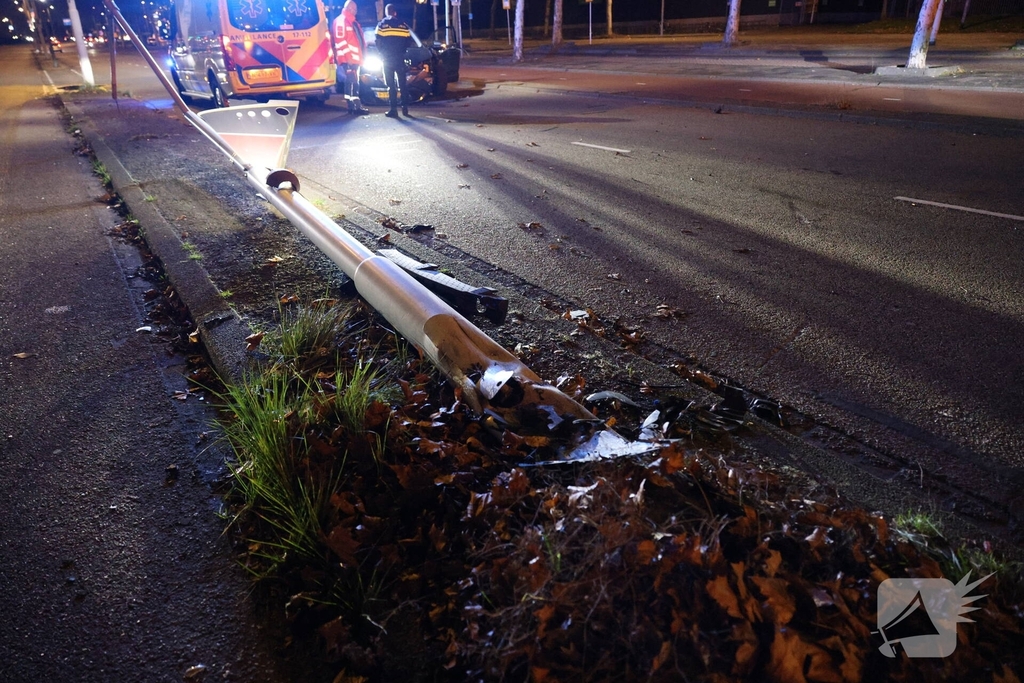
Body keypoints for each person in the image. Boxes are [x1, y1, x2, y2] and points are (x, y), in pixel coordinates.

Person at [375, 4, 412, 118]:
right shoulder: (404, 25)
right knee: (402, 84)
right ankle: (405, 108)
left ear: (387, 12)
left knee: (391, 86)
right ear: (395, 12)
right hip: (399, 59)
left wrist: (383, 53)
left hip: (387, 60)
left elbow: (377, 41)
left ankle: (393, 109)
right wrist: (402, 51)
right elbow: (409, 41)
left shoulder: (382, 25)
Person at [332, 0, 369, 115]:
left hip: (354, 59)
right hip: (348, 59)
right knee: (352, 82)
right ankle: (354, 107)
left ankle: (353, 106)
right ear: (349, 8)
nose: (355, 11)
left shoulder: (351, 21)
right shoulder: (341, 21)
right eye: (354, 9)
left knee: (353, 82)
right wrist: (348, 58)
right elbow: (340, 41)